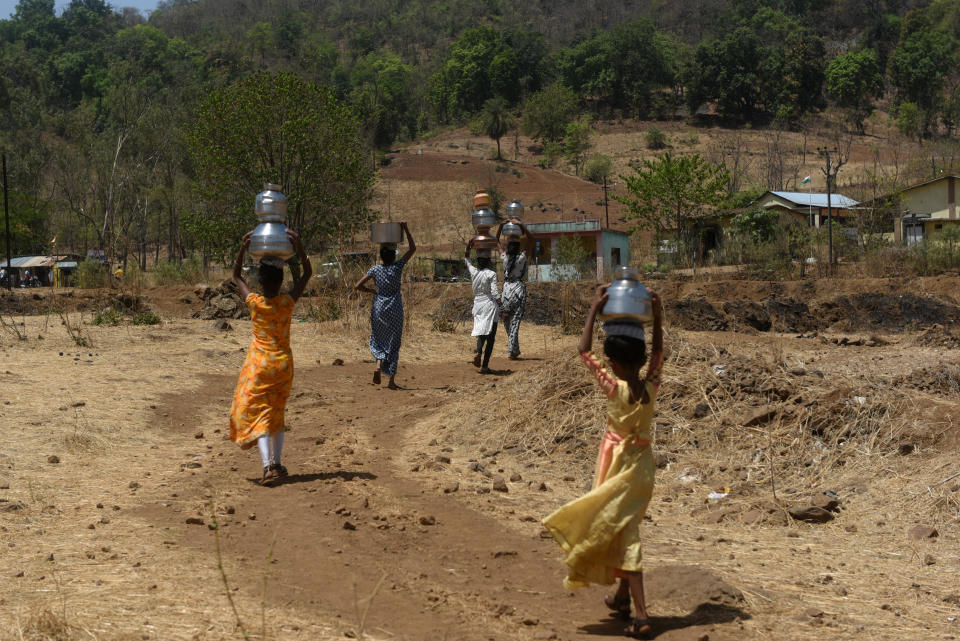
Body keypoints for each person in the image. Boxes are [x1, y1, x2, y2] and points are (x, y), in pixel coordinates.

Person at [542, 284, 664, 639]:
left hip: (616, 469)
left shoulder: (613, 388)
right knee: (621, 526)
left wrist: (594, 309)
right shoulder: (652, 384)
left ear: (612, 362)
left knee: (625, 535)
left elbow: (582, 351)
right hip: (642, 470)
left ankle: (642, 616)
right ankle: (623, 598)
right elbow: (659, 350)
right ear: (642, 362)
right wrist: (657, 315)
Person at [229, 229, 313, 486]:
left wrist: (243, 249)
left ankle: (268, 467)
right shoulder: (287, 303)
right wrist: (298, 246)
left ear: (261, 282)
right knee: (276, 412)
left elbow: (235, 276)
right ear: (280, 282)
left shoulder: (255, 303)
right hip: (283, 365)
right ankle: (276, 463)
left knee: (261, 414)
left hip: (260, 366)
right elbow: (308, 274)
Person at [354, 222, 416, 389]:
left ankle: (378, 365)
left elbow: (357, 286)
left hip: (379, 309)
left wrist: (372, 292)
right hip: (395, 309)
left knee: (379, 338)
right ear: (394, 256)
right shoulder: (397, 267)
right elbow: (412, 249)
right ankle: (391, 381)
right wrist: (406, 229)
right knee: (393, 343)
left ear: (381, 255)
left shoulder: (375, 270)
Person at [496, 218, 535, 360]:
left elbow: (496, 241)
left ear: (508, 247)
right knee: (515, 321)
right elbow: (532, 240)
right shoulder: (521, 258)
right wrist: (521, 226)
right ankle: (512, 350)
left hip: (506, 290)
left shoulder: (504, 258)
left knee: (506, 319)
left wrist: (500, 227)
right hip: (518, 289)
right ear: (518, 248)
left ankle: (514, 349)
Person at [464, 241, 501, 374]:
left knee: (480, 332)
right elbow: (495, 293)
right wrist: (501, 303)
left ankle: (478, 352)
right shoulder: (491, 274)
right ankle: (484, 366)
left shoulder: (474, 272)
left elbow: (467, 260)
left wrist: (468, 247)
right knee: (490, 337)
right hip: (489, 306)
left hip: (478, 305)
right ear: (489, 262)